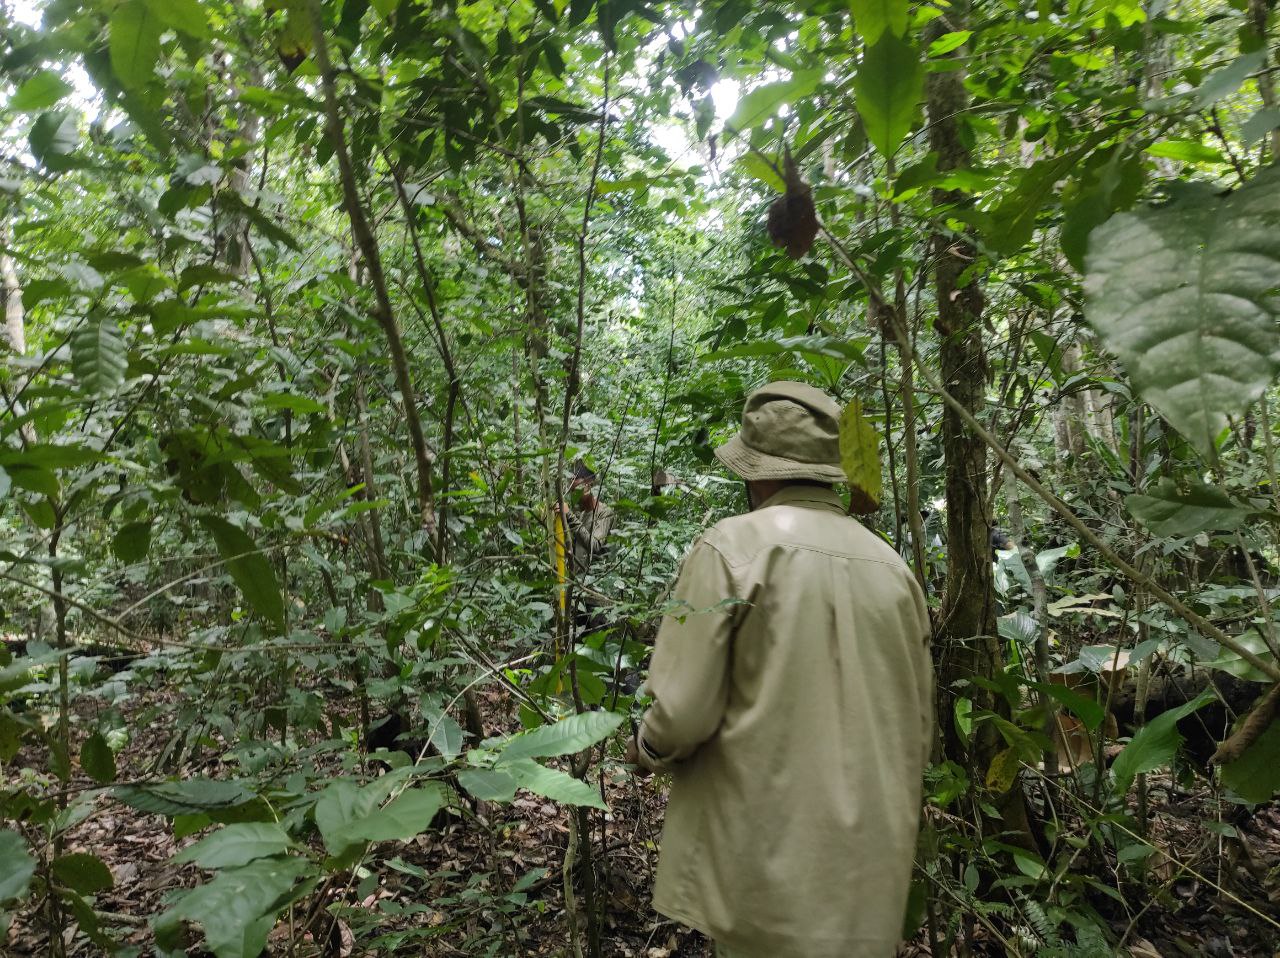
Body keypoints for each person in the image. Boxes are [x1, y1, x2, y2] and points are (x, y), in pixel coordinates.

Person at [625, 381, 935, 958]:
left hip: (765, 860)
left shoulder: (732, 547)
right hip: (869, 862)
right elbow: (918, 730)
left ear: (758, 474)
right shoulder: (893, 570)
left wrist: (646, 746)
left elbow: (680, 712)